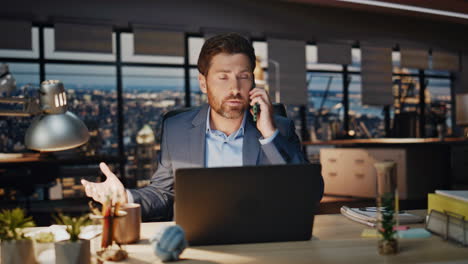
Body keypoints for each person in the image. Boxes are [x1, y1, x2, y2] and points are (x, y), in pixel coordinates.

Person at [81, 33, 310, 220]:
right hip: (201, 242)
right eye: (223, 77)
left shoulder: (279, 128)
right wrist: (125, 197)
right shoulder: (177, 129)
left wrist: (269, 135)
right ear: (203, 82)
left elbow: (307, 194)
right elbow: (163, 194)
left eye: (244, 76)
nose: (235, 88)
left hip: (264, 240)